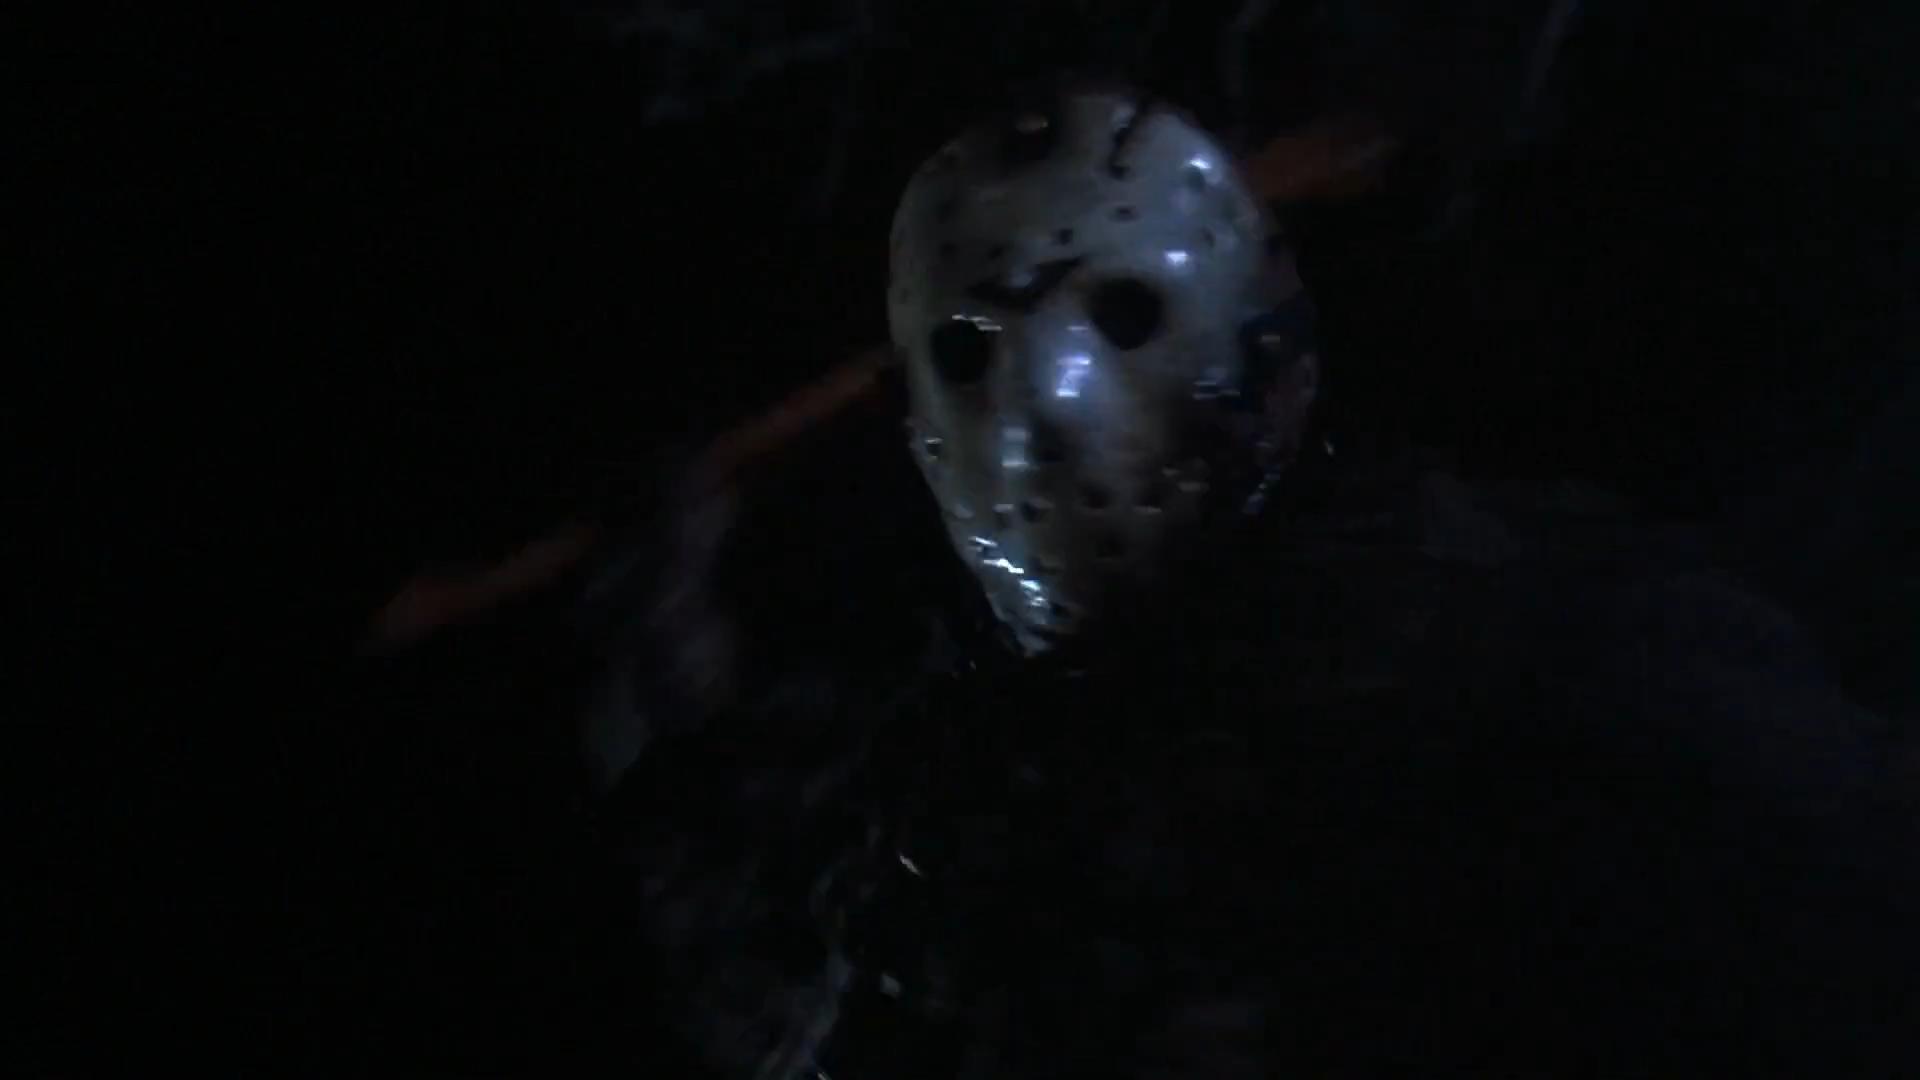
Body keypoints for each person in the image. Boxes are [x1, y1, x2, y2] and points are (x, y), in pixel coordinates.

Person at [575, 87, 1918, 1078]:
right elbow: (829, 1012)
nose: (1049, 404)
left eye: (1121, 315)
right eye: (975, 354)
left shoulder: (1533, 649)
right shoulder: (983, 771)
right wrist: (687, 747)